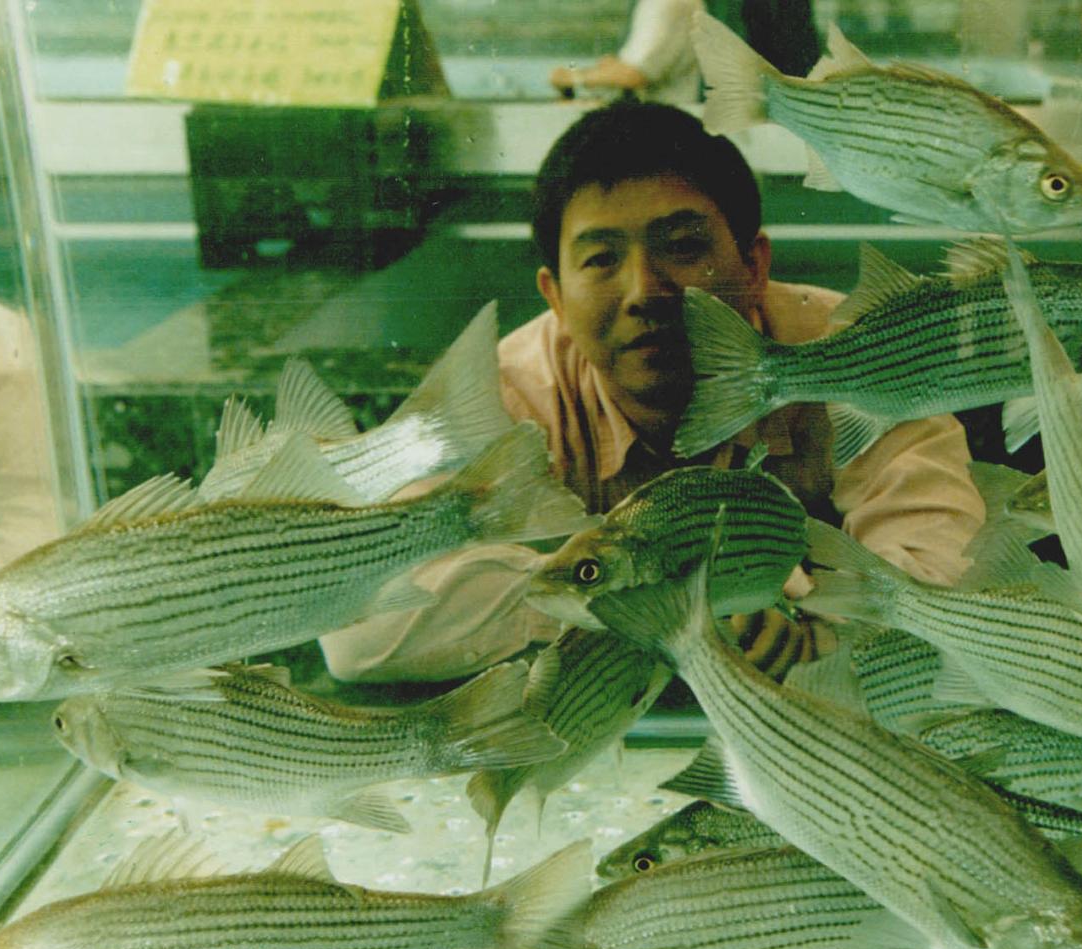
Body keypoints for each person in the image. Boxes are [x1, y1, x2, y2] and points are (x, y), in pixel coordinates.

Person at [321, 103, 984, 683]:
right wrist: (655, 608)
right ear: (553, 295)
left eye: (683, 246)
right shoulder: (507, 397)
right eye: (601, 259)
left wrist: (815, 629)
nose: (644, 292)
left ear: (754, 266)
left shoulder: (862, 361)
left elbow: (950, 595)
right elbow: (357, 628)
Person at [550, 0, 705, 106]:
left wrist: (573, 78)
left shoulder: (664, 4)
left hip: (659, 126)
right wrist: (612, 68)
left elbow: (634, 74)